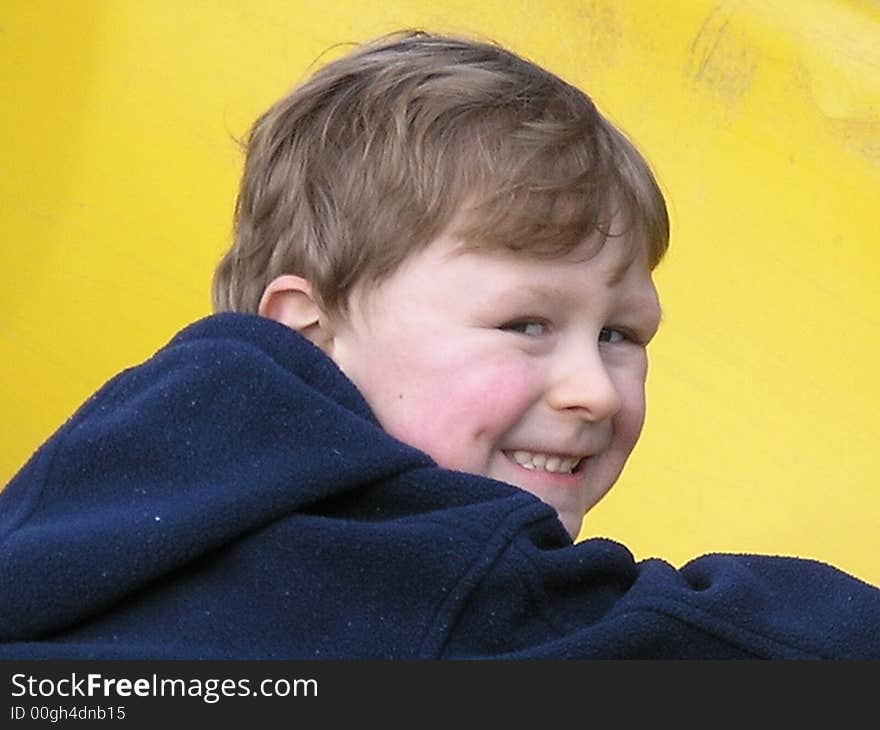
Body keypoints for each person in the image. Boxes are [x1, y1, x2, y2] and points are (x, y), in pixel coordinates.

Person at [1, 30, 877, 659]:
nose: (596, 392)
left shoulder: (87, 504)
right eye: (526, 324)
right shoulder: (438, 577)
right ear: (309, 329)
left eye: (620, 334)